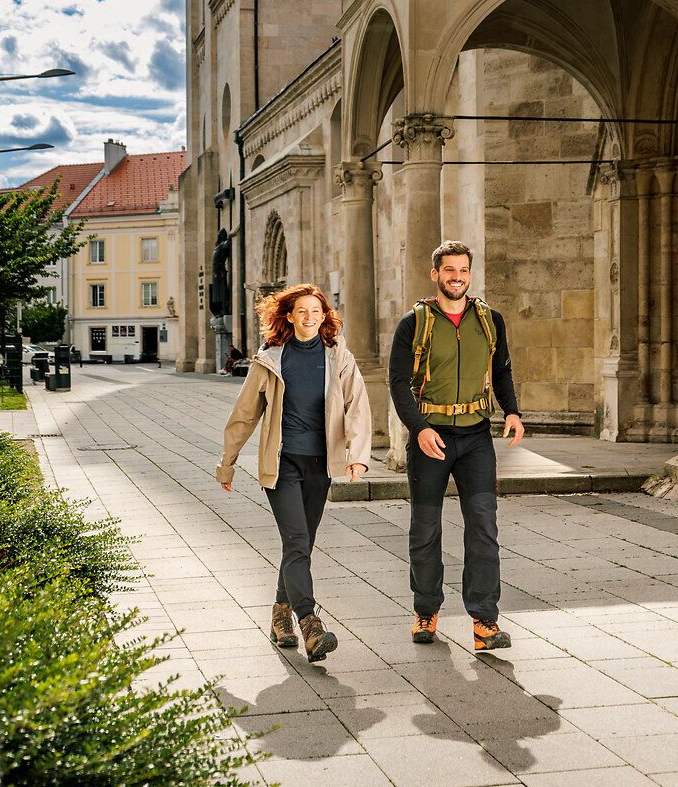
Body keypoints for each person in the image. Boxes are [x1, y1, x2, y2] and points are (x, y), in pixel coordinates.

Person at [216, 282, 371, 662]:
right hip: (281, 465)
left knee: (298, 546)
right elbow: (245, 414)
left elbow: (357, 405)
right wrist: (227, 463)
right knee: (298, 542)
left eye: (316, 311)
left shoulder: (338, 356)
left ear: (325, 316)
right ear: (289, 316)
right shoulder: (271, 359)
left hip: (321, 464)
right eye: (302, 311)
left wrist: (358, 454)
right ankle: (309, 624)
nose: (310, 317)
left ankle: (279, 615)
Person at [388, 240, 524, 655]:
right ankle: (426, 610)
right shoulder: (415, 323)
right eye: (449, 270)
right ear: (435, 274)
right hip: (431, 438)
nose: (457, 277)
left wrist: (513, 412)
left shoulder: (489, 319)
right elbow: (397, 382)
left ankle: (484, 620)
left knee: (484, 527)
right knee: (426, 528)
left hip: (476, 437)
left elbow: (501, 369)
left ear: (470, 273)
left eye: (463, 270)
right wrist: (419, 428)